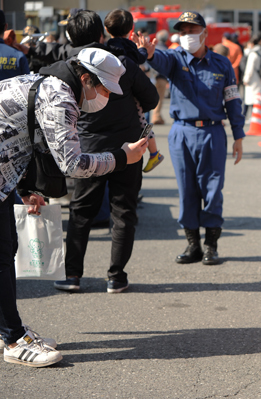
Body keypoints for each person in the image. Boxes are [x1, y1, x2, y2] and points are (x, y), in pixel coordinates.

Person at [0, 47, 148, 367]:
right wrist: (123, 158)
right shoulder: (61, 99)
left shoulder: (44, 82)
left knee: (6, 248)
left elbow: (22, 137)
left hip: (4, 178)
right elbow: (74, 165)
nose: (107, 97)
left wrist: (24, 190)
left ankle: (10, 330)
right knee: (1, 254)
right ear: (85, 79)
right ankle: (12, 338)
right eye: (105, 89)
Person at [26, 10, 159, 293]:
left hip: (87, 149)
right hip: (128, 148)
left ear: (71, 36)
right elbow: (152, 98)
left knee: (81, 212)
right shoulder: (124, 64)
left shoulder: (70, 67)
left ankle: (73, 275)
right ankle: (117, 277)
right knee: (123, 213)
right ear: (102, 35)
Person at [137, 11, 244, 265]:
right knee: (187, 190)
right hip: (182, 133)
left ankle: (211, 245)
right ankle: (193, 244)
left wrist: (238, 134)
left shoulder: (222, 64)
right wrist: (150, 53)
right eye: (182, 32)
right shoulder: (175, 59)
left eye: (192, 31)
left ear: (205, 33)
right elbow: (158, 60)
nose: (187, 36)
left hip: (213, 132)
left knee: (213, 189)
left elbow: (232, 100)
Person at [103, 9, 164, 173]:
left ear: (106, 29)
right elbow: (141, 57)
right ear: (131, 28)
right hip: (132, 91)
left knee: (142, 122)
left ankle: (155, 153)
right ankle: (154, 152)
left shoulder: (105, 48)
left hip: (110, 94)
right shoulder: (130, 48)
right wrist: (143, 49)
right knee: (141, 120)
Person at [242, 34, 261, 118]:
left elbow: (249, 68)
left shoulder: (253, 54)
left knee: (251, 100)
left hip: (252, 80)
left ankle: (250, 117)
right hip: (259, 79)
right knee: (257, 100)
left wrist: (246, 79)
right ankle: (256, 117)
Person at [151, 29, 170, 125]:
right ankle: (156, 116)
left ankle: (157, 116)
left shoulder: (153, 47)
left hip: (151, 76)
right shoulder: (167, 49)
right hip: (161, 77)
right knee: (159, 98)